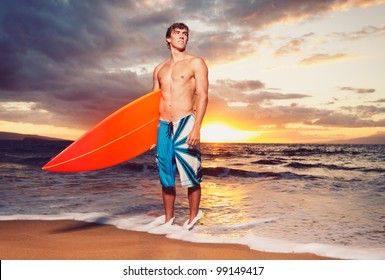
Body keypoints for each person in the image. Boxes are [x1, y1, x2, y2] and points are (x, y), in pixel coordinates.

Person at [152, 22, 208, 230]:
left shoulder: (196, 63)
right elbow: (152, 103)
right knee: (165, 175)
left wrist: (197, 127)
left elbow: (203, 96)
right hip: (163, 125)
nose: (182, 37)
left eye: (185, 34)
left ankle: (193, 219)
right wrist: (150, 133)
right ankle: (169, 220)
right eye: (177, 33)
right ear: (168, 38)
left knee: (191, 174)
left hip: (186, 121)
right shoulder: (159, 69)